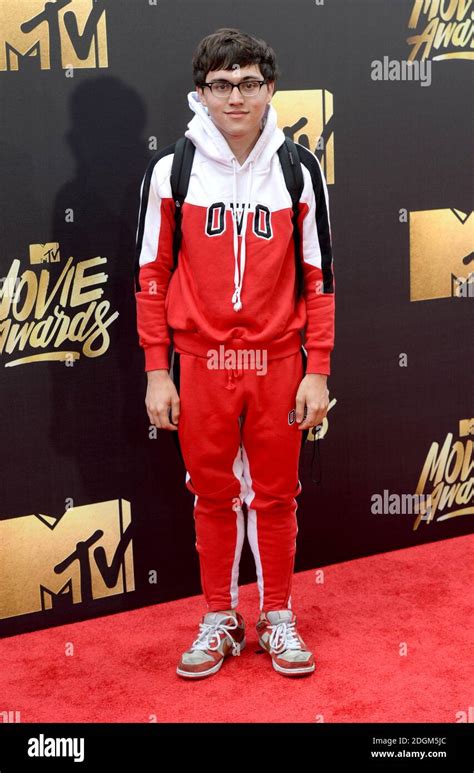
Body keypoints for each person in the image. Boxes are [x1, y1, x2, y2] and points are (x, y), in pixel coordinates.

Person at [134, 27, 335, 679]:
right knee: (212, 495)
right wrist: (157, 370)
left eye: (249, 82)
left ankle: (277, 613)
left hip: (277, 364)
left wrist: (319, 368)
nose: (236, 96)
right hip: (201, 365)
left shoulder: (301, 169)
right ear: (201, 95)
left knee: (276, 496)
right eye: (222, 85)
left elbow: (319, 278)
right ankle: (220, 615)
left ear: (270, 88)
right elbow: (150, 276)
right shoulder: (174, 170)